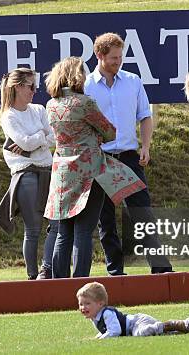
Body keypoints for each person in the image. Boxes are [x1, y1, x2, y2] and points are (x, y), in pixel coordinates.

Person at [44, 57, 146, 278]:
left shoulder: (51, 104)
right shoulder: (85, 102)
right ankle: (79, 280)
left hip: (62, 172)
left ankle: (57, 282)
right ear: (76, 76)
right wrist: (94, 135)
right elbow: (109, 132)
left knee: (63, 232)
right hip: (89, 171)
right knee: (83, 231)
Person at [84, 32, 173, 275]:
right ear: (99, 56)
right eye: (113, 57)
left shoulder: (133, 81)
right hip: (100, 158)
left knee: (142, 213)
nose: (118, 60)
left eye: (120, 56)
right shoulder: (85, 85)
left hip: (129, 156)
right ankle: (116, 271)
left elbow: (145, 116)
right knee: (106, 220)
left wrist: (145, 146)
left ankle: (161, 268)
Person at [0, 67, 58, 280]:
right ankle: (32, 277)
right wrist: (38, 139)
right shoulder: (7, 115)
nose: (34, 90)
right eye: (31, 86)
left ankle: (45, 270)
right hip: (25, 173)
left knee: (56, 225)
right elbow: (25, 142)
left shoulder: (38, 109)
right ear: (18, 87)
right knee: (33, 229)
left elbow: (54, 138)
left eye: (35, 85)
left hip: (48, 171)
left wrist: (32, 143)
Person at [76, 281, 189, 338]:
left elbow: (115, 331)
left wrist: (100, 340)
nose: (83, 307)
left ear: (100, 304)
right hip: (136, 323)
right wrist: (97, 337)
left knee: (141, 333)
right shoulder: (95, 317)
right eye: (81, 304)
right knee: (163, 335)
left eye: (87, 303)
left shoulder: (106, 313)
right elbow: (105, 332)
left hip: (137, 322)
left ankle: (182, 324)